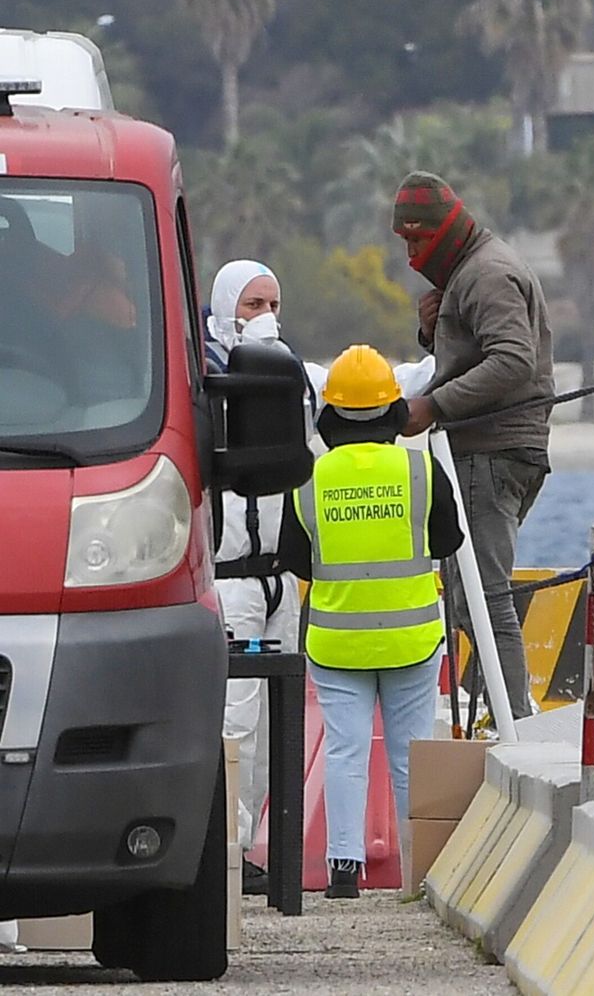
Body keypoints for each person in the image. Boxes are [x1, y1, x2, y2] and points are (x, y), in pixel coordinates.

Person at [278, 344, 464, 898]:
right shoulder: (420, 467)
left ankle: (341, 870)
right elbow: (448, 540)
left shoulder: (308, 476)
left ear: (329, 415)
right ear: (394, 413)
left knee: (345, 751)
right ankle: (417, 872)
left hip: (337, 641)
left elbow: (294, 556)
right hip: (412, 636)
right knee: (410, 754)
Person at [391, 171, 553, 721]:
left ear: (445, 231)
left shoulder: (485, 273)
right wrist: (432, 330)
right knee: (470, 598)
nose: (413, 254)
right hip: (498, 450)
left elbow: (513, 359)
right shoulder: (472, 272)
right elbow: (479, 352)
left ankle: (518, 731)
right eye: (405, 242)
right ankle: (505, 719)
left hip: (492, 451)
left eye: (418, 240)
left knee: (485, 599)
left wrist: (431, 407)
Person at [205, 260, 305, 896]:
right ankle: (226, 858)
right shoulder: (210, 377)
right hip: (231, 580)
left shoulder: (293, 377)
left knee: (273, 733)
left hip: (279, 582)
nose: (264, 313)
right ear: (224, 309)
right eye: (251, 303)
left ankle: (249, 849)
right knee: (232, 724)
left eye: (272, 300)